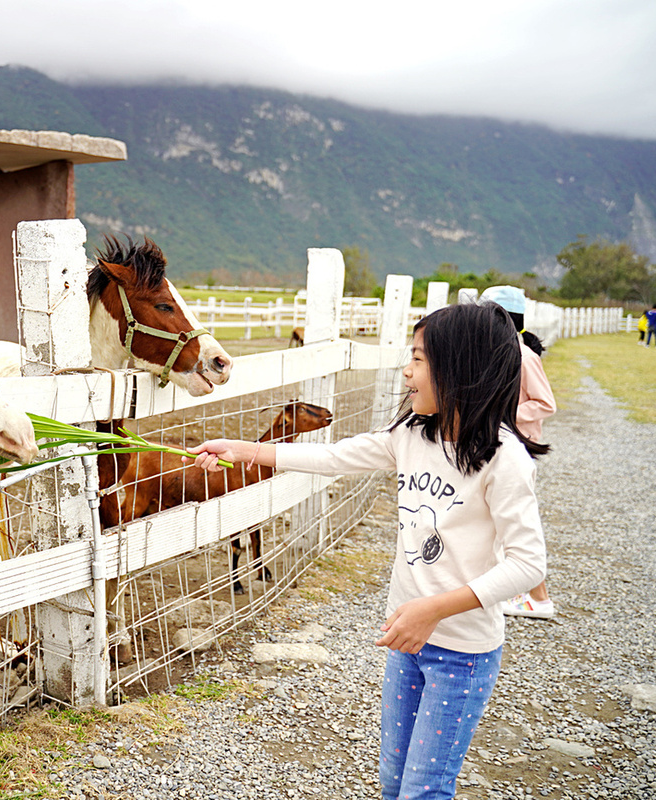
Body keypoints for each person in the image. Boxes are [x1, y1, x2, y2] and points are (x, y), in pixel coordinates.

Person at [186, 302, 547, 800]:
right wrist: (246, 449)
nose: (406, 369)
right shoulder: (411, 435)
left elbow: (527, 565)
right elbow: (335, 457)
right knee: (394, 782)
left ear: (462, 368)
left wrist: (433, 610)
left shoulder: (505, 460)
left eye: (419, 359)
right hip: (407, 641)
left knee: (424, 789)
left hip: (461, 654)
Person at [480, 285, 557, 619]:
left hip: (518, 446)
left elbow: (545, 403)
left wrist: (505, 414)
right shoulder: (496, 353)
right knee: (498, 518)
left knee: (514, 522)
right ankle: (512, 592)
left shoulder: (524, 357)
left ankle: (540, 600)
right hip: (497, 444)